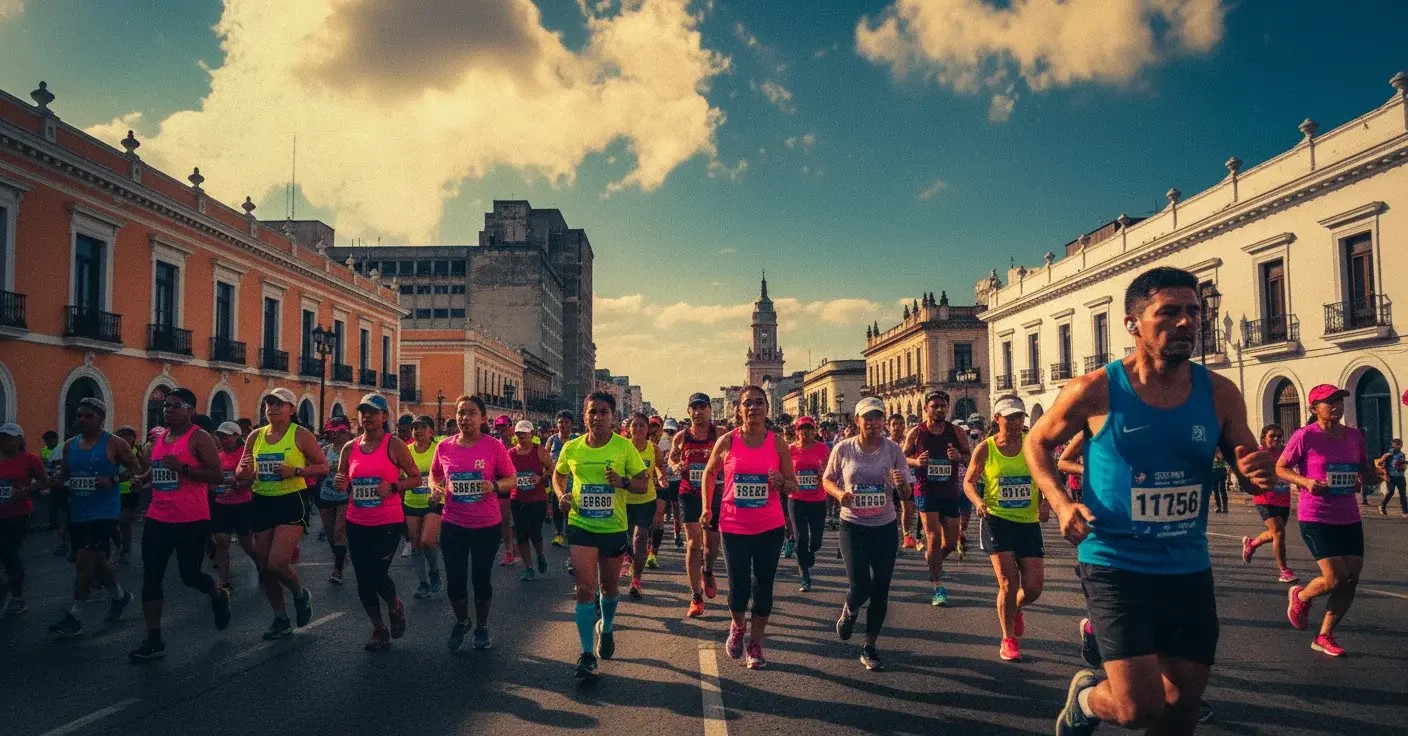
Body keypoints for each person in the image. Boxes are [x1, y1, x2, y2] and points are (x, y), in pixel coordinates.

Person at [1027, 267, 1276, 736]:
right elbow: (1037, 444)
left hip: (1187, 566)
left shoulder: (1219, 392)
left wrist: (1252, 469)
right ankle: (1085, 699)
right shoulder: (1095, 390)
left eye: (1194, 311)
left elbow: (1242, 452)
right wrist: (1060, 504)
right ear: (1133, 323)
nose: (1186, 322)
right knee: (1138, 709)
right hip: (1114, 562)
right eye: (1169, 312)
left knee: (1182, 704)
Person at [129, 387, 231, 661]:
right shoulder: (161, 437)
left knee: (189, 576)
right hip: (157, 517)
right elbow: (159, 467)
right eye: (166, 406)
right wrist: (144, 478)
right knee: (151, 577)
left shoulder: (199, 438)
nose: (168, 410)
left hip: (191, 519)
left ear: (190, 410)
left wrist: (184, 469)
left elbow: (217, 476)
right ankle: (154, 638)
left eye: (175, 406)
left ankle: (217, 594)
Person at [554, 391, 648, 679]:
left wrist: (622, 482)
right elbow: (558, 475)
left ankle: (606, 630)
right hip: (581, 524)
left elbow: (643, 485)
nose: (597, 417)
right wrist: (561, 496)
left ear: (613, 417)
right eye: (592, 412)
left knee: (608, 589)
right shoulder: (571, 448)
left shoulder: (624, 448)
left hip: (613, 527)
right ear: (584, 416)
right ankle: (586, 654)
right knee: (584, 590)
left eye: (603, 412)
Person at [701, 386, 796, 668]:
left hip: (769, 526)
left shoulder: (777, 443)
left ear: (767, 408)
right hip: (734, 525)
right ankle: (738, 626)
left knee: (763, 588)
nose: (753, 408)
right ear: (738, 409)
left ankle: (755, 644)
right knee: (739, 589)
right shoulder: (728, 442)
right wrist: (707, 507)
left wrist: (781, 482)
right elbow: (709, 472)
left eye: (758, 403)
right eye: (747, 403)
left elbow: (793, 484)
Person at [1281, 384, 1377, 657]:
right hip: (1316, 515)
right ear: (1314, 409)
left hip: (1348, 514)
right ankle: (1301, 596)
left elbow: (1364, 473)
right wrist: (1305, 482)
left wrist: (1376, 473)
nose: (1336, 405)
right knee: (1336, 578)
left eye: (1339, 400)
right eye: (1329, 401)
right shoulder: (1305, 436)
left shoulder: (1354, 436)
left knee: (1351, 578)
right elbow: (1281, 467)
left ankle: (1324, 635)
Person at [825, 396, 912, 671]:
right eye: (867, 418)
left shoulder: (893, 450)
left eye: (878, 417)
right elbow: (827, 479)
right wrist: (841, 494)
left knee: (881, 588)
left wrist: (901, 486)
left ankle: (870, 646)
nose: (873, 423)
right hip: (852, 525)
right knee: (860, 585)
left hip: (885, 526)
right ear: (857, 421)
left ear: (883, 421)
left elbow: (907, 492)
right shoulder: (844, 449)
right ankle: (850, 610)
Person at [236, 388, 327, 640]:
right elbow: (242, 469)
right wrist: (243, 474)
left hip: (291, 500)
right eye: (269, 403)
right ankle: (280, 617)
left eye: (279, 403)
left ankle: (300, 594)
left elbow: (323, 467)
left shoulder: (301, 435)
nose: (272, 407)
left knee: (277, 563)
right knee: (266, 568)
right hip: (261, 499)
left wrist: (295, 471)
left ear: (291, 409)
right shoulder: (255, 436)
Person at [333, 394, 421, 650]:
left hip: (388, 522)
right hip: (357, 521)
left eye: (373, 411)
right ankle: (379, 629)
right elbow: (342, 482)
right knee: (363, 580)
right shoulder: (350, 448)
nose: (367, 416)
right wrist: (341, 484)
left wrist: (393, 486)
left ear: (385, 417)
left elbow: (415, 478)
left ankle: (394, 606)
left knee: (376, 573)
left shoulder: (394, 445)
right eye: (363, 411)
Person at [963, 395, 1046, 663]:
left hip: (1028, 521)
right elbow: (969, 481)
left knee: (1033, 589)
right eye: (1009, 417)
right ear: (997, 419)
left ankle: (1016, 608)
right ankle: (1008, 638)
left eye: (1018, 417)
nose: (1014, 422)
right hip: (996, 519)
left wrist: (1045, 501)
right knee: (1008, 584)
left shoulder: (1032, 445)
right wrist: (977, 501)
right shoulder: (986, 449)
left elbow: (1047, 475)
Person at [49, 399, 141, 637]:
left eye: (88, 416)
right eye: (78, 415)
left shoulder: (114, 443)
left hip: (104, 511)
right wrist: (59, 480)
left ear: (101, 418)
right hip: (79, 510)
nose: (81, 420)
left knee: (83, 560)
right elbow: (66, 473)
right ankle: (120, 597)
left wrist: (112, 480)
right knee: (96, 561)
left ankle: (75, 616)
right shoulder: (69, 445)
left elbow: (135, 469)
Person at [433, 395, 516, 651]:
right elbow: (435, 475)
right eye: (460, 413)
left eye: (471, 413)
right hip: (453, 523)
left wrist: (493, 485)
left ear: (482, 418)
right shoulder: (444, 447)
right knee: (455, 580)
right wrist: (435, 489)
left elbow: (511, 480)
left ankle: (481, 625)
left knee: (481, 579)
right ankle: (462, 621)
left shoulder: (493, 447)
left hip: (486, 525)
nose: (465, 418)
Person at [902, 390, 970, 607]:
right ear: (926, 409)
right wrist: (916, 462)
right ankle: (938, 586)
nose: (939, 409)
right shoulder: (917, 432)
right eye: (935, 406)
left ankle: (934, 560)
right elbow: (903, 458)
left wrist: (959, 457)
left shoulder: (956, 432)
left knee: (949, 542)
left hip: (949, 491)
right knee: (932, 536)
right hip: (926, 490)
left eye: (943, 406)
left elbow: (969, 455)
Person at [671, 394, 724, 618]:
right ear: (688, 411)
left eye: (702, 407)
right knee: (693, 544)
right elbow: (672, 458)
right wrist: (675, 466)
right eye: (694, 408)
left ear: (710, 410)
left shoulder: (719, 434)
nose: (698, 412)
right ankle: (695, 597)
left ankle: (708, 571)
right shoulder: (681, 437)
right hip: (689, 492)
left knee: (712, 547)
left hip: (715, 493)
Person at [0, 423, 48, 615]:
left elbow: (44, 482)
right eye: (1, 437)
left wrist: (25, 491)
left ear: (19, 440)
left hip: (17, 513)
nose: (3, 441)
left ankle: (18, 596)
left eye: (8, 438)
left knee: (9, 552)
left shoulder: (29, 460)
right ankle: (6, 586)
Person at [1240, 424, 1297, 583]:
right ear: (1264, 438)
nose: (1277, 438)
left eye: (1279, 435)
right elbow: (1245, 470)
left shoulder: (1286, 453)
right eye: (1272, 436)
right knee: (1278, 532)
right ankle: (1284, 571)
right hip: (1264, 498)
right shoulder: (1259, 453)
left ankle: (1252, 543)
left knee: (1274, 534)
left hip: (1283, 499)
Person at [625, 414, 666, 597]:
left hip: (645, 500)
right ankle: (629, 560)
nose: (639, 429)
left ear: (648, 429)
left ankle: (636, 580)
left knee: (640, 538)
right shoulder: (622, 448)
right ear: (629, 429)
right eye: (635, 426)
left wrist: (661, 477)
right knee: (624, 541)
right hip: (623, 501)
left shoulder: (654, 449)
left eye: (642, 426)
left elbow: (658, 466)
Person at [403, 415, 444, 598]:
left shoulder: (438, 449)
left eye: (422, 428)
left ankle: (434, 572)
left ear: (431, 431)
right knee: (415, 545)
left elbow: (447, 473)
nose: (417, 431)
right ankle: (423, 583)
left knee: (427, 540)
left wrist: (439, 491)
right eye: (415, 428)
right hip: (411, 502)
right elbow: (399, 476)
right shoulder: (406, 450)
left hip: (433, 502)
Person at [788, 416, 830, 592]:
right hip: (796, 499)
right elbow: (782, 468)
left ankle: (810, 552)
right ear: (796, 432)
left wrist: (824, 474)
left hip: (818, 499)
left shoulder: (823, 449)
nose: (804, 432)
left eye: (808, 428)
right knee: (800, 538)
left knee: (816, 541)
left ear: (814, 430)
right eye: (801, 429)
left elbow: (831, 471)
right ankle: (804, 574)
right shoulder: (790, 449)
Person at [509, 420, 553, 581]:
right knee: (521, 534)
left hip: (537, 498)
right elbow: (504, 473)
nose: (521, 436)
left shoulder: (539, 451)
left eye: (524, 433)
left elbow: (551, 468)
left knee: (535, 532)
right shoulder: (510, 454)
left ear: (531, 434)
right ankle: (528, 567)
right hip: (517, 498)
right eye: (518, 434)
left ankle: (540, 556)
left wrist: (540, 477)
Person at [315, 418, 353, 585]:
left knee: (339, 532)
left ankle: (337, 570)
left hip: (345, 496)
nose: (332, 435)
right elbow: (317, 472)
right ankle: (340, 555)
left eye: (341, 432)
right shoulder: (324, 451)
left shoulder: (353, 451)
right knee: (331, 535)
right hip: (326, 495)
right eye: (333, 433)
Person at [112, 425, 145, 564]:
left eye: (128, 437)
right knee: (113, 523)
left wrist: (138, 477)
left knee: (123, 521)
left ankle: (125, 549)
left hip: (131, 491)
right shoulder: (111, 452)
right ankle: (119, 546)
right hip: (114, 491)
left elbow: (144, 469)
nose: (125, 440)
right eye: (122, 437)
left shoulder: (137, 452)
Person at [546, 411, 578, 549]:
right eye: (560, 422)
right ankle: (558, 534)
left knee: (571, 509)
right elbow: (546, 456)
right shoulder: (552, 439)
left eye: (565, 422)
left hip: (573, 480)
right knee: (557, 507)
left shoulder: (576, 439)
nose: (562, 425)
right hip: (557, 480)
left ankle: (572, 536)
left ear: (572, 424)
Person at [658, 418, 684, 551]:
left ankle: (677, 533)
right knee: (660, 510)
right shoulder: (660, 443)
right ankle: (656, 537)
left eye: (671, 431)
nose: (669, 433)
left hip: (676, 480)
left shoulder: (680, 442)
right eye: (667, 431)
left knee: (676, 509)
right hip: (664, 480)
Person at [1375, 437, 1406, 516]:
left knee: (1403, 494)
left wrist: (1403, 466)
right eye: (1395, 445)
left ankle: (1405, 511)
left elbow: (1403, 465)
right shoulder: (1388, 455)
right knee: (1390, 492)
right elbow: (1379, 464)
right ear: (1392, 446)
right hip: (1391, 476)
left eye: (1399, 445)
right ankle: (1382, 506)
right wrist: (1383, 460)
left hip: (1400, 476)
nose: (1397, 447)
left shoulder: (1402, 454)